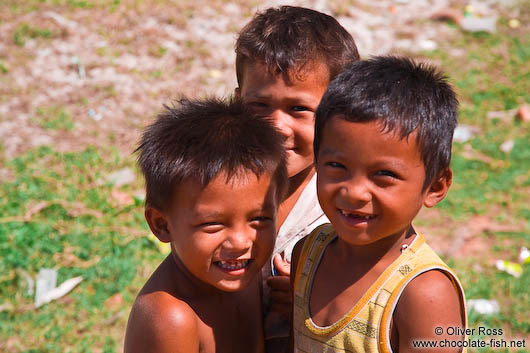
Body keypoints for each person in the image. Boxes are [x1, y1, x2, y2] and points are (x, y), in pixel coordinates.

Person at [290, 56, 467, 353]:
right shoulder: (307, 254)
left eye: (384, 174)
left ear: (435, 186)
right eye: (336, 165)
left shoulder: (424, 294)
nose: (355, 192)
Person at [234, 6, 360, 350]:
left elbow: (377, 289)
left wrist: (310, 300)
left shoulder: (348, 204)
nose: (276, 126)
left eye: (298, 109)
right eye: (259, 106)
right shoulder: (220, 183)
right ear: (236, 102)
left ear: (337, 113)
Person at [124, 97, 288, 353]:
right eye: (213, 224)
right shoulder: (171, 318)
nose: (241, 242)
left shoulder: (245, 274)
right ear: (162, 225)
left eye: (259, 220)